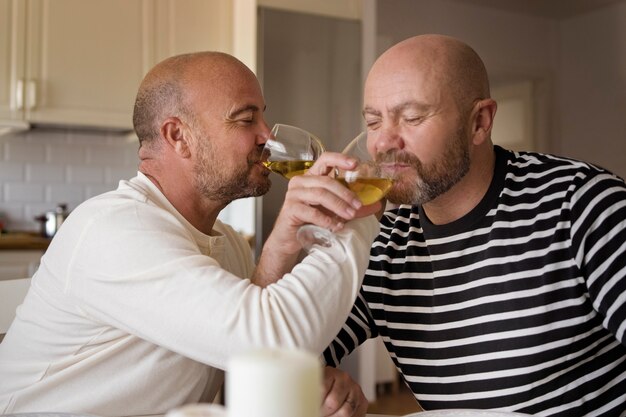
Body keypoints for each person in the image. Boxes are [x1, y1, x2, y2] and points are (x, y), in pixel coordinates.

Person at [0, 52, 378, 417]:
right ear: (178, 136)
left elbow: (243, 366)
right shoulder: (115, 228)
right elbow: (266, 340)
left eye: (263, 116)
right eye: (246, 120)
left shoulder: (226, 243)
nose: (267, 135)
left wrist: (309, 392)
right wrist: (360, 206)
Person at [323, 34, 626, 415]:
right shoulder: (383, 243)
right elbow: (283, 351)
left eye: (412, 117)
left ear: (479, 122)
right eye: (372, 121)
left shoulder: (583, 205)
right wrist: (294, 235)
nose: (383, 142)